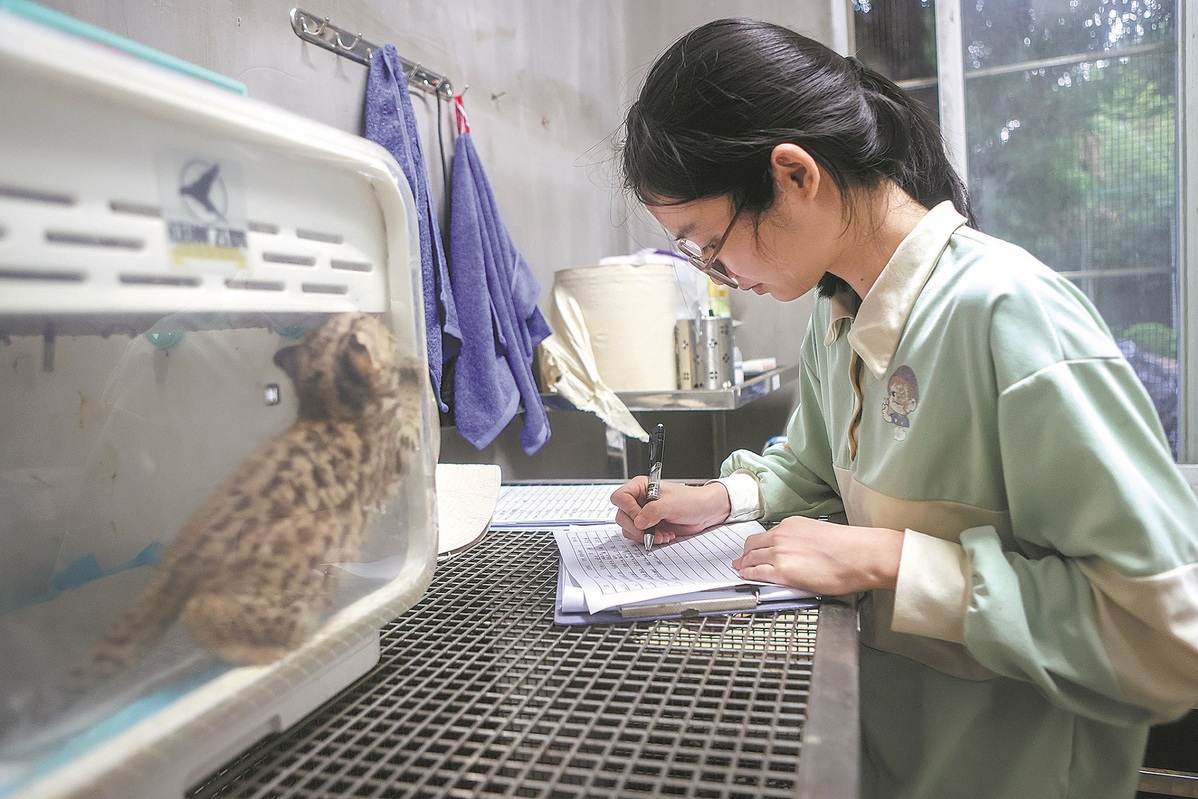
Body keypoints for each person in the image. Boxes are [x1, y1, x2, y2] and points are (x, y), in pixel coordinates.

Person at [609, 17, 1198, 799]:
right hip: (885, 754)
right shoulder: (838, 313)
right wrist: (725, 495)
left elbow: (1166, 641)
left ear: (793, 174)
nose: (716, 272)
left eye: (706, 243)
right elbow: (820, 474)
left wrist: (892, 560)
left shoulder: (1010, 318)